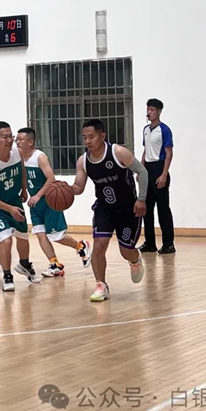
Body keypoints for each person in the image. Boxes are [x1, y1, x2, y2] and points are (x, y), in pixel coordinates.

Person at [66, 119, 148, 302]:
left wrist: (141, 199)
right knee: (98, 247)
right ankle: (101, 286)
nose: (87, 141)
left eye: (91, 137)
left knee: (126, 251)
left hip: (128, 209)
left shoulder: (118, 152)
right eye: (84, 137)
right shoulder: (83, 161)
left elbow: (142, 172)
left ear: (102, 136)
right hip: (104, 209)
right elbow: (78, 187)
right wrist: (65, 189)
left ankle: (135, 259)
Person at [15, 127, 92, 277]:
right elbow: (24, 177)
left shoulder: (39, 157)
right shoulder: (20, 158)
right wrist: (24, 191)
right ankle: (55, 264)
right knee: (39, 233)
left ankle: (81, 246)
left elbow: (51, 179)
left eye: (20, 139)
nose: (17, 142)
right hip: (35, 204)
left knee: (57, 236)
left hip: (49, 202)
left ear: (30, 142)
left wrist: (38, 195)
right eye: (16, 139)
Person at [0, 122, 39, 290]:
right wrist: (9, 209)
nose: (10, 140)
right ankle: (7, 276)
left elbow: (22, 169)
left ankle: (24, 264)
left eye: (10, 136)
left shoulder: (17, 152)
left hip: (14, 201)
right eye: (5, 137)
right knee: (6, 240)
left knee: (23, 236)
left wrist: (24, 189)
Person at [139, 98, 176, 254]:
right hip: (148, 169)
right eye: (148, 109)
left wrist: (164, 174)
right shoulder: (146, 129)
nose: (149, 112)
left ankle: (168, 244)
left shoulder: (164, 130)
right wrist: (141, 170)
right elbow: (146, 151)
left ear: (159, 111)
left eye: (152, 110)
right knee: (146, 209)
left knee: (163, 209)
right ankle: (150, 243)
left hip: (159, 168)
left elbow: (169, 153)